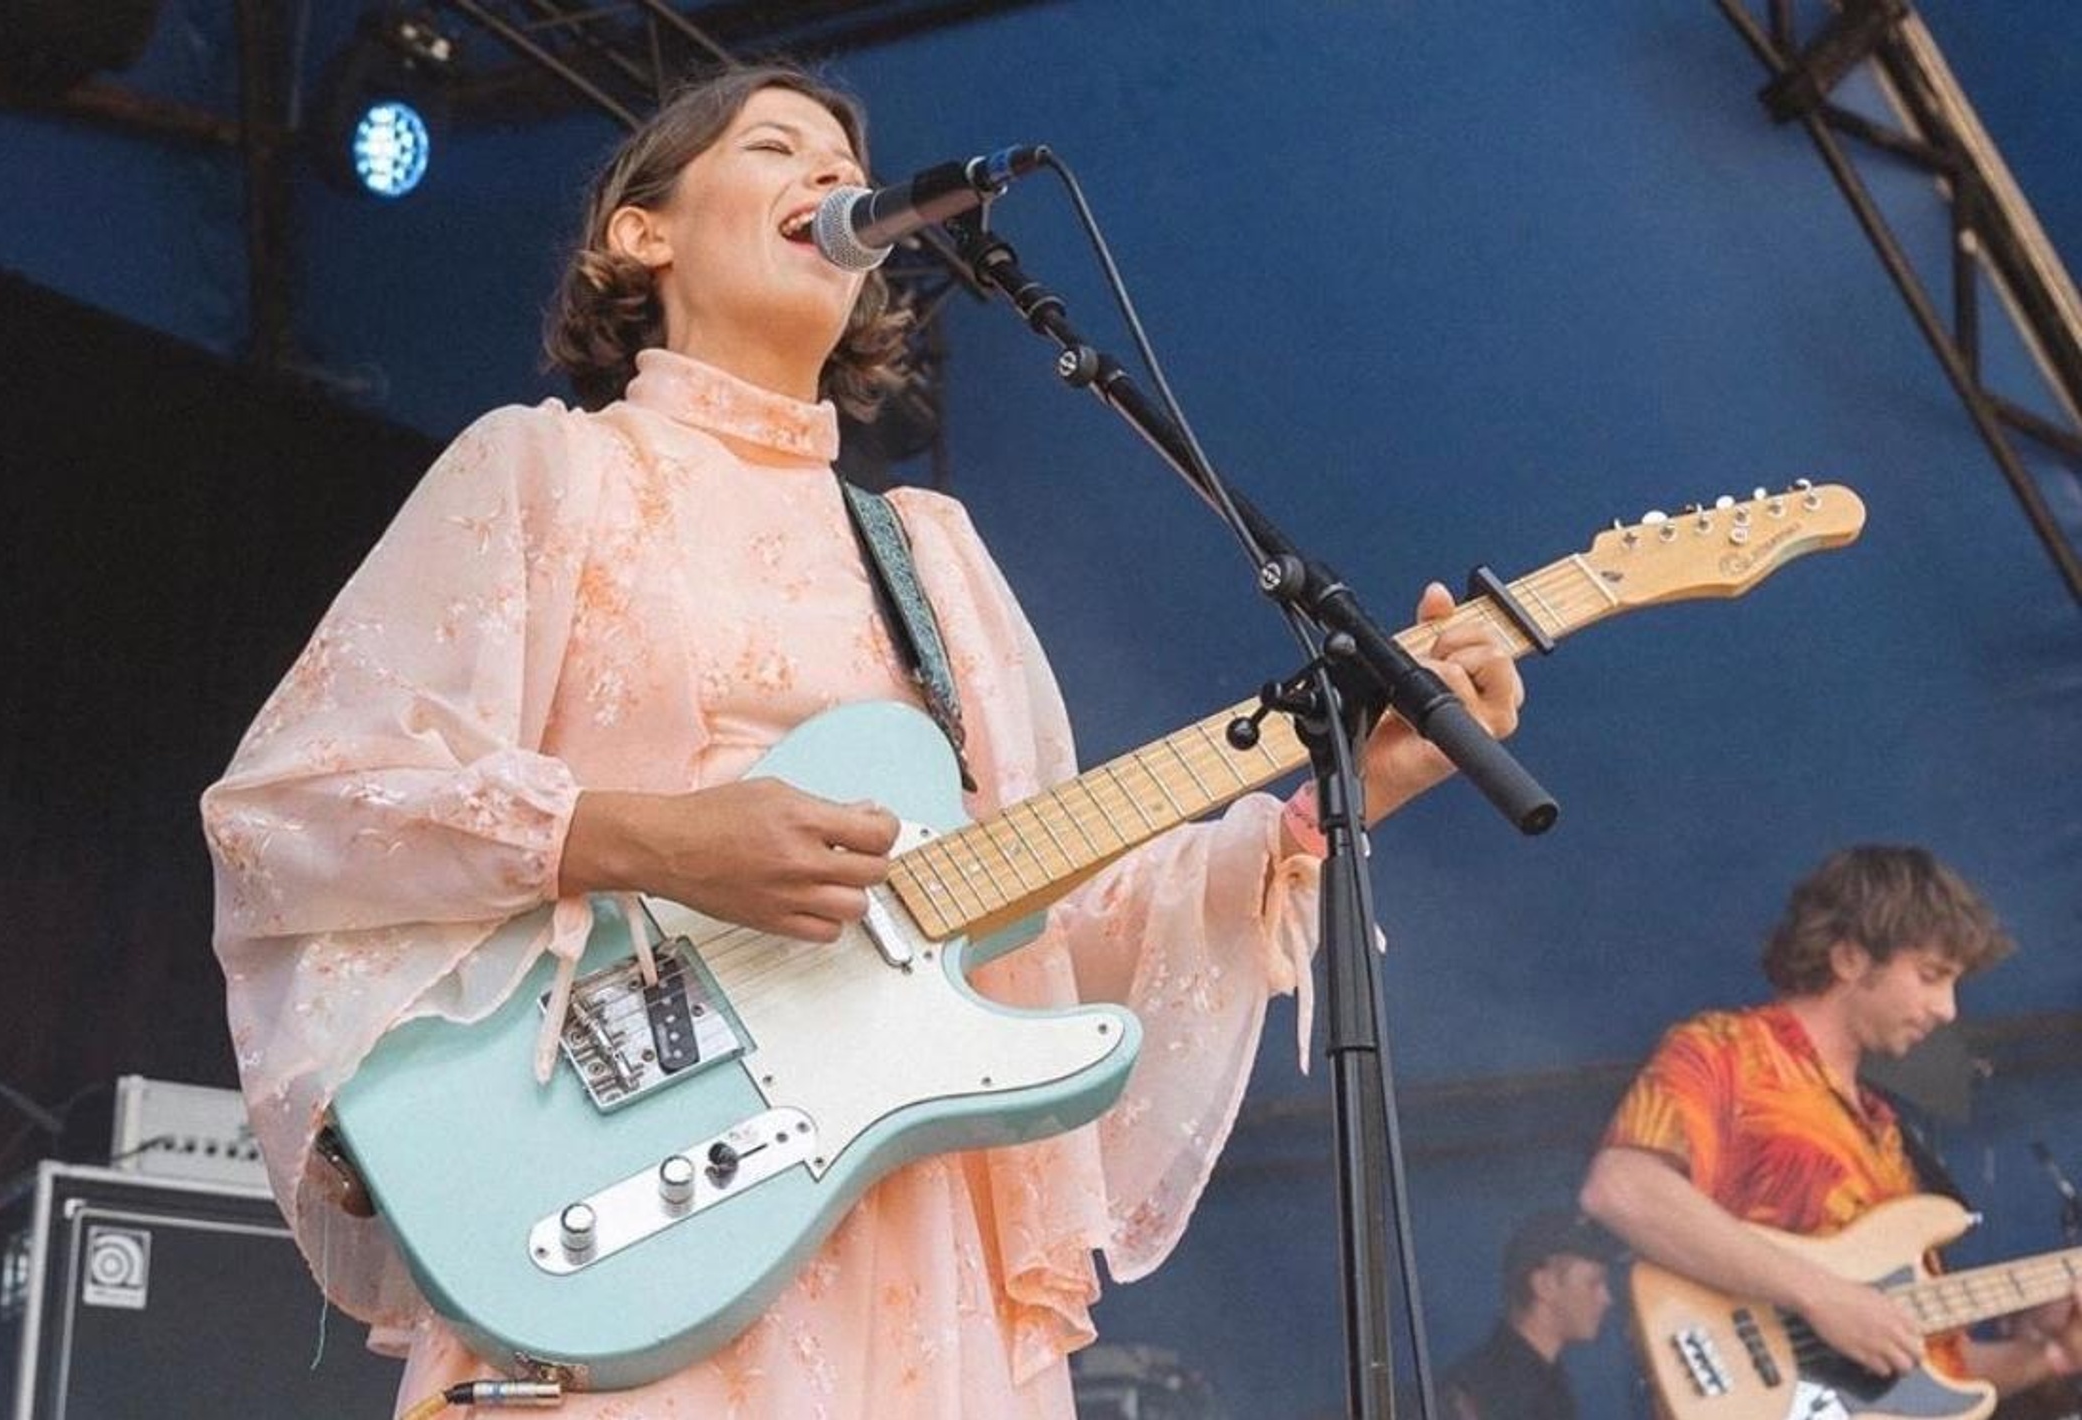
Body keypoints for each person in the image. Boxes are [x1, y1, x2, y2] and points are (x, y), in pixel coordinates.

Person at [200, 63, 1525, 1419]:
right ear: (638, 233)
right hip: (623, 1193)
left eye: (846, 164)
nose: (833, 179)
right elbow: (305, 807)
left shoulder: (932, 556)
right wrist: (652, 839)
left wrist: (1329, 806)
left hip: (901, 1237)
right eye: (778, 148)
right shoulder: (546, 471)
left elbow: (1046, 927)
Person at [1580, 844, 2082, 1403]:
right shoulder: (1731, 1053)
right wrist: (1821, 1297)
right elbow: (1622, 1189)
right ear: (1849, 959)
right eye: (1931, 976)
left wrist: (2054, 1353)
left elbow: (1937, 1375)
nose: (1948, 1009)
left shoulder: (1890, 1142)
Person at [1438, 1207, 1617, 1420]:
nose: (1607, 1298)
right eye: (1593, 1283)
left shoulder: (1541, 1383)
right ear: (1544, 1285)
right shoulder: (1488, 1396)